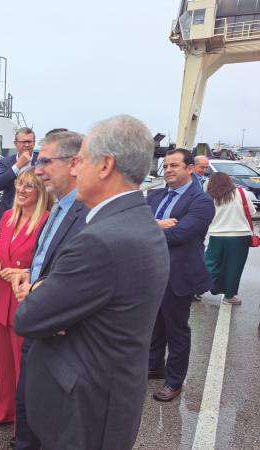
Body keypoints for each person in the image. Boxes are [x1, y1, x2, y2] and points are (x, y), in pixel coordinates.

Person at [13, 115, 170, 449]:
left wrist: (42, 294)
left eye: (80, 161)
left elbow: (29, 318)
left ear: (105, 166)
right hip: (111, 399)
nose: (74, 169)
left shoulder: (99, 240)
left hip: (83, 410)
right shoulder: (140, 221)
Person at [10, 130, 88, 450]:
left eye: (45, 161)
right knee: (27, 403)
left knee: (46, 413)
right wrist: (29, 273)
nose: (37, 169)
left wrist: (42, 288)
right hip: (37, 322)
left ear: (73, 164)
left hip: (57, 332)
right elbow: (53, 261)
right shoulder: (58, 207)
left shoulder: (86, 215)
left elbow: (80, 277)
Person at [147, 148, 215, 402]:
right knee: (154, 324)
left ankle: (174, 381)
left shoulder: (201, 201)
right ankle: (154, 366)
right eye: (165, 166)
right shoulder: (155, 196)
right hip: (152, 273)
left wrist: (147, 227)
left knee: (177, 330)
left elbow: (179, 234)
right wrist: (156, 225)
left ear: (189, 168)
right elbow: (132, 221)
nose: (168, 170)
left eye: (174, 165)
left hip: (178, 276)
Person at [0, 168, 51, 427]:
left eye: (29, 186)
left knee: (25, 368)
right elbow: (2, 251)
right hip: (1, 298)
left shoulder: (46, 220)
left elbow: (47, 263)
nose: (21, 190)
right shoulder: (6, 217)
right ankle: (5, 409)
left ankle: (25, 424)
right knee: (4, 364)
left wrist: (25, 272)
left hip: (25, 300)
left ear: (41, 192)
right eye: (19, 184)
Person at [204, 172, 256, 305]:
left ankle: (196, 288)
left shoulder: (209, 196)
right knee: (234, 267)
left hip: (217, 235)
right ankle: (229, 296)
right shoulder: (242, 193)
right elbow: (251, 212)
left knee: (210, 263)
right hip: (240, 236)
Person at [0, 127, 38, 227]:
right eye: (24, 142)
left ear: (34, 143)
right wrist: (18, 165)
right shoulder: (6, 161)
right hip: (9, 215)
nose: (27, 145)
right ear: (16, 143)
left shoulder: (41, 161)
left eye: (30, 142)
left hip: (34, 216)